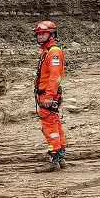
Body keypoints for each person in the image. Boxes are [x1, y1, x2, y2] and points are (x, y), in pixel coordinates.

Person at [32, 21, 67, 172]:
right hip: (47, 95)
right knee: (55, 124)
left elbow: (55, 76)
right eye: (38, 34)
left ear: (52, 35)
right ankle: (60, 157)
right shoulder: (47, 51)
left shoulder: (53, 53)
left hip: (47, 96)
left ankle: (54, 159)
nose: (40, 37)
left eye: (43, 34)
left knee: (50, 127)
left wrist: (48, 97)